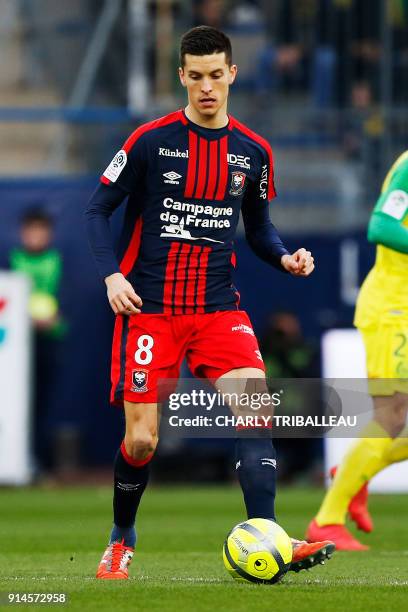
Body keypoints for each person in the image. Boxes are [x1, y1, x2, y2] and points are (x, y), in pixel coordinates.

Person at [85, 25, 334, 580]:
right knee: (142, 441)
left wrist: (285, 256)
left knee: (256, 409)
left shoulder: (253, 151)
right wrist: (110, 276)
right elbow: (97, 210)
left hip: (219, 308)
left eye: (216, 76)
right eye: (195, 77)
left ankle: (269, 533)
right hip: (148, 309)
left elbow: (260, 228)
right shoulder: (149, 142)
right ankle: (122, 537)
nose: (206, 87)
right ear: (181, 77)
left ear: (232, 76)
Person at [307, 151, 408, 550]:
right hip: (394, 309)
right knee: (393, 415)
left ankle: (353, 474)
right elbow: (381, 225)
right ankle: (327, 519)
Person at [9, 208, 65, 470]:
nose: (35, 236)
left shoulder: (59, 261)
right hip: (13, 348)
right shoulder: (10, 260)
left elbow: (69, 302)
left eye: (40, 230)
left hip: (48, 344)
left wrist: (54, 320)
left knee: (45, 402)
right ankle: (14, 459)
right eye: (31, 230)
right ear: (23, 232)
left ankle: (40, 462)